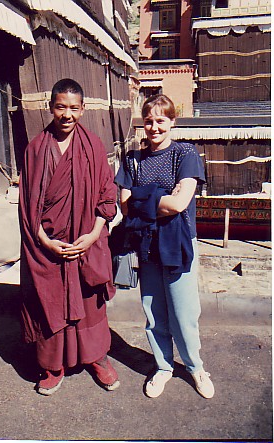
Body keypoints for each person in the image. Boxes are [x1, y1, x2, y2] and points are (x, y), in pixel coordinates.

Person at [19, 78, 119, 395]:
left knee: (89, 303)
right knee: (50, 303)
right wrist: (45, 242)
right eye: (61, 106)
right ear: (51, 107)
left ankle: (96, 359)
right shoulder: (35, 149)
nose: (67, 114)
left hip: (85, 243)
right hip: (48, 246)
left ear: (83, 109)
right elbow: (27, 205)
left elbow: (107, 197)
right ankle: (52, 366)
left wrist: (92, 236)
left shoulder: (93, 146)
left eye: (74, 108)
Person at [115, 94, 214, 399]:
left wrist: (143, 197)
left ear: (172, 121)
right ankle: (163, 367)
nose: (154, 127)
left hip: (179, 240)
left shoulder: (185, 154)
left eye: (161, 120)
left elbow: (180, 203)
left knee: (183, 311)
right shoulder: (132, 159)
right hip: (146, 241)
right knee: (154, 310)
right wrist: (157, 197)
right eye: (149, 120)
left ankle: (196, 367)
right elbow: (125, 205)